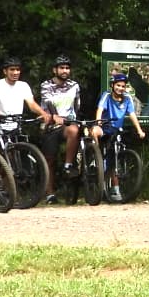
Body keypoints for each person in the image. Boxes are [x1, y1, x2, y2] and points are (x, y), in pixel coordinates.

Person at [92, 73, 146, 202]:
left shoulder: (127, 98)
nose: (120, 88)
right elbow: (100, 109)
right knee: (94, 131)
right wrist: (98, 120)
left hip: (116, 129)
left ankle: (115, 189)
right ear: (112, 85)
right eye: (118, 85)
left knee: (114, 158)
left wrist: (139, 130)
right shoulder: (106, 95)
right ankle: (96, 157)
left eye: (123, 86)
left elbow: (132, 114)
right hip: (104, 127)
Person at [38, 54, 83, 203]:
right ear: (54, 70)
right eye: (62, 68)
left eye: (67, 68)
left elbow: (77, 106)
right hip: (50, 124)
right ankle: (50, 193)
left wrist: (72, 118)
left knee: (74, 130)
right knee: (49, 159)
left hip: (68, 124)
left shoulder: (74, 86)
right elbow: (48, 103)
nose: (65, 70)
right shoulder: (46, 85)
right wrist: (55, 117)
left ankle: (68, 164)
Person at [0, 56, 46, 123]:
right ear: (5, 71)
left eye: (18, 69)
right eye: (12, 69)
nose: (15, 73)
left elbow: (32, 104)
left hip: (17, 125)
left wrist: (44, 114)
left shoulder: (23, 85)